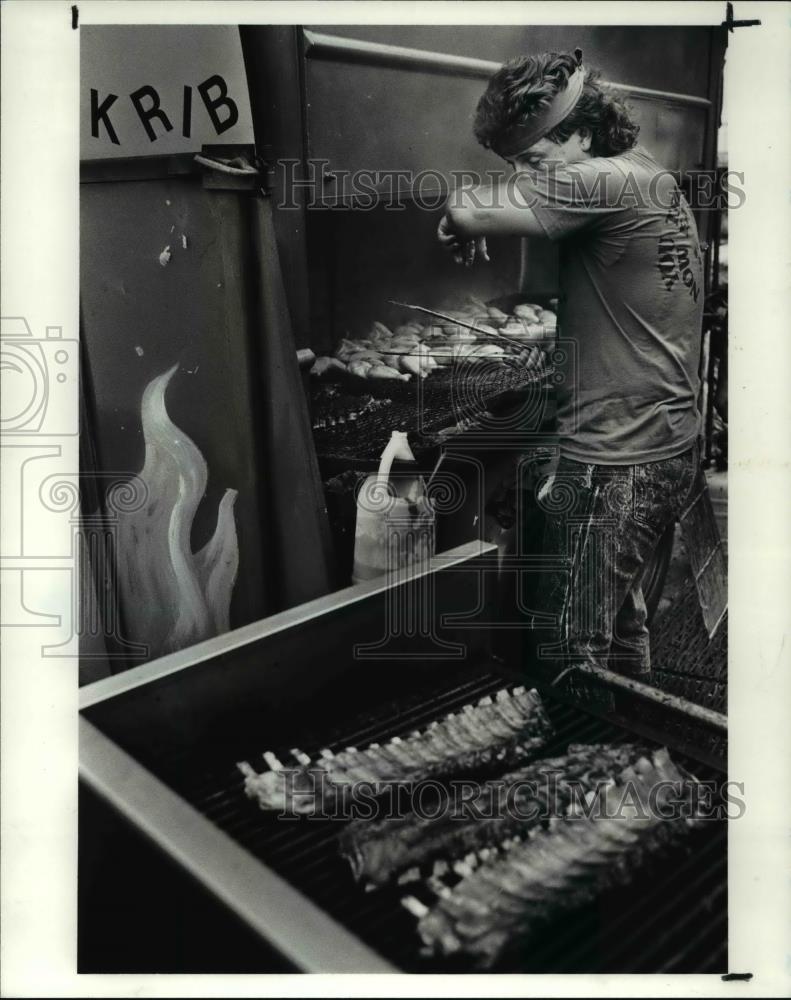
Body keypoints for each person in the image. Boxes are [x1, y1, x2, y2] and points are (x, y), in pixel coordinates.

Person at [437, 49, 705, 681]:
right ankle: (629, 753)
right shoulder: (642, 174)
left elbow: (467, 207)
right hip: (662, 445)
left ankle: (585, 768)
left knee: (567, 651)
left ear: (581, 132)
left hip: (619, 462)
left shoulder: (598, 182)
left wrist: (465, 214)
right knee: (617, 625)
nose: (529, 176)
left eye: (533, 159)